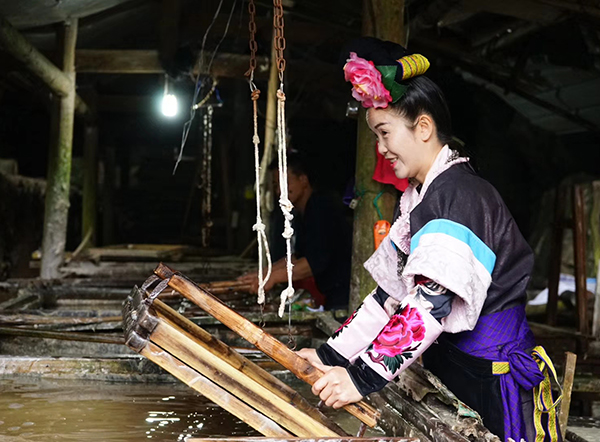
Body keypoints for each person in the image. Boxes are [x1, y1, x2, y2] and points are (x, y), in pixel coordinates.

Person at [297, 37, 561, 442]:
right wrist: (330, 356)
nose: (380, 149)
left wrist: (361, 378)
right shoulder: (421, 198)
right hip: (461, 371)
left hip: (491, 379)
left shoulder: (460, 195)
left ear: (424, 126)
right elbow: (389, 297)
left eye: (385, 133)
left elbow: (429, 305)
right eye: (376, 137)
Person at [240, 152, 352, 310]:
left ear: (303, 180)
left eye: (284, 184)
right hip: (331, 291)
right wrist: (264, 273)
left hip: (343, 294)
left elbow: (314, 263)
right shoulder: (302, 212)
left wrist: (271, 278)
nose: (279, 191)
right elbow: (298, 257)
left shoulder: (320, 207)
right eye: (276, 185)